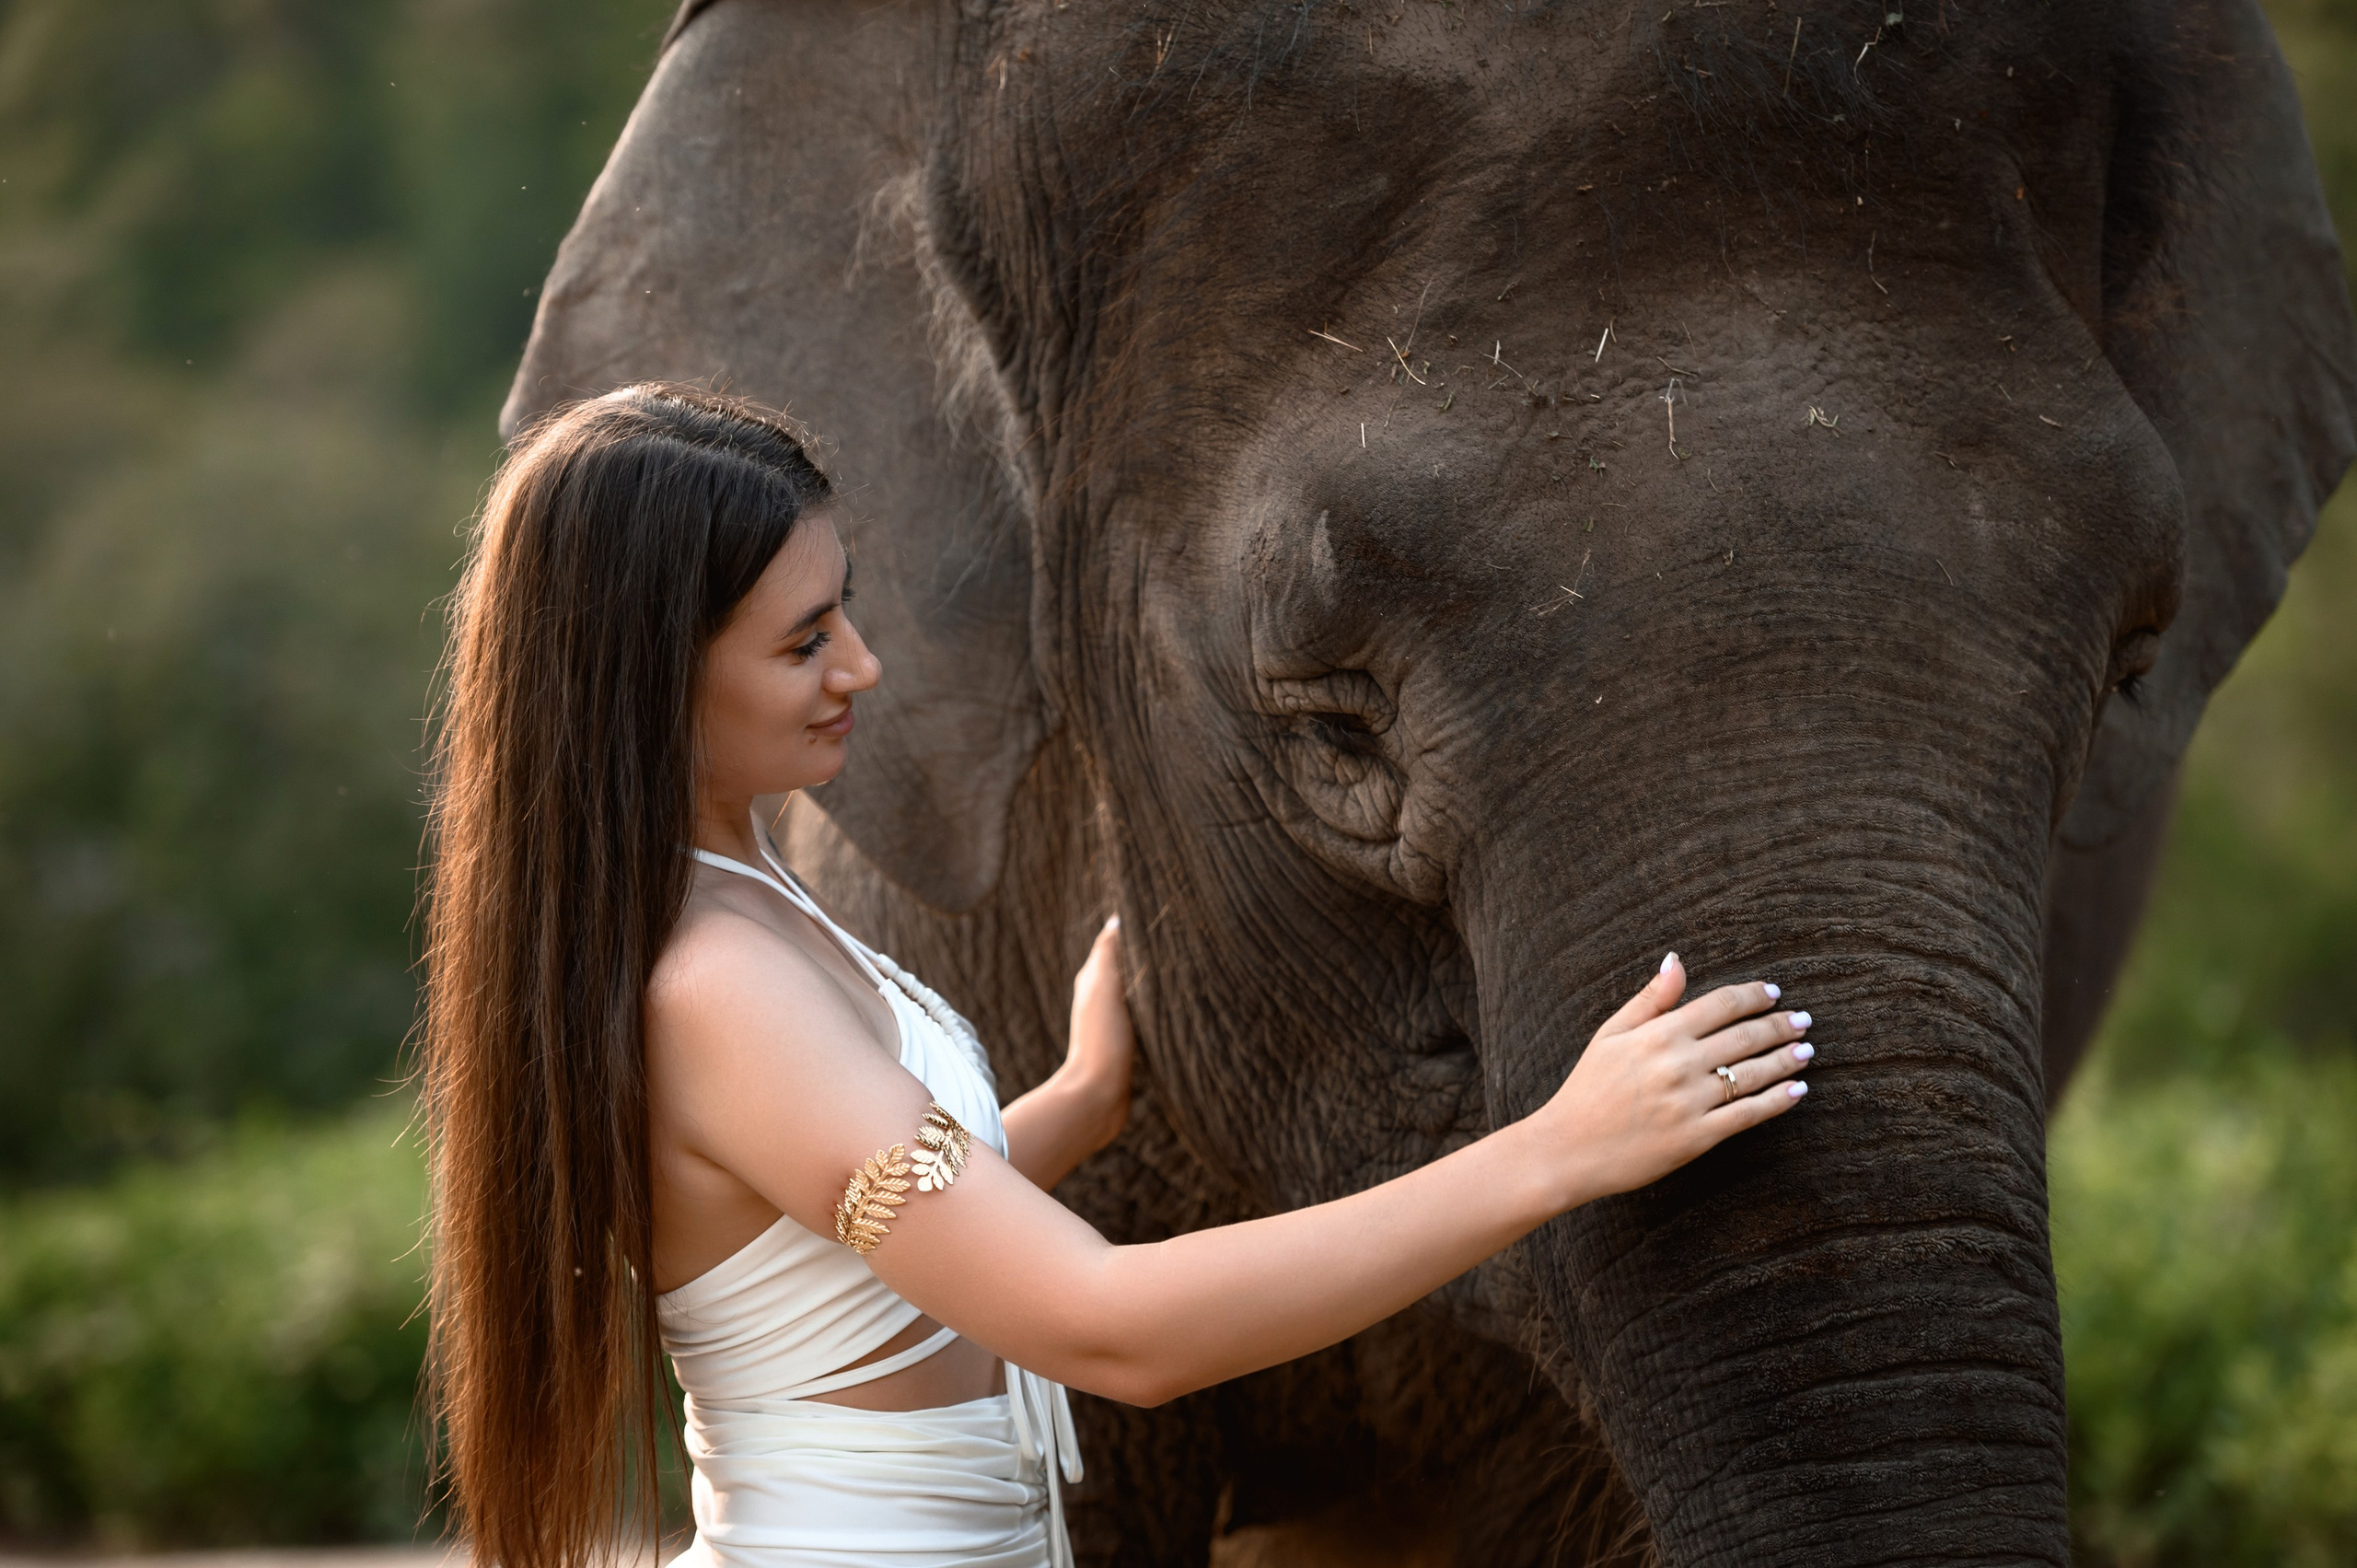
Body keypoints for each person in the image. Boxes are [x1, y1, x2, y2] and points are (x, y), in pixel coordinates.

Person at [419, 385, 1814, 1568]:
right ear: (646, 676)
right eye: (802, 643)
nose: (864, 663)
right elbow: (1108, 1327)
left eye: (842, 611)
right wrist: (1559, 1152)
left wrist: (1081, 1101)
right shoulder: (716, 981)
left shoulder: (734, 886)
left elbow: (848, 1231)